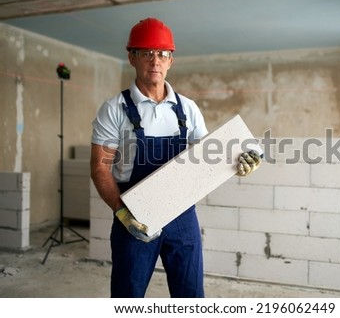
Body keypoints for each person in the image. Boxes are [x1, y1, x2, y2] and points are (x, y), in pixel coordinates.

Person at [90, 17, 261, 298]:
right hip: (134, 215)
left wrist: (240, 162)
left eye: (162, 53)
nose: (155, 61)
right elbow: (99, 168)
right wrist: (123, 213)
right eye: (146, 53)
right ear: (132, 57)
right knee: (127, 296)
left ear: (171, 60)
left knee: (191, 295)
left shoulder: (188, 109)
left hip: (182, 217)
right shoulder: (115, 109)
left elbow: (208, 157)